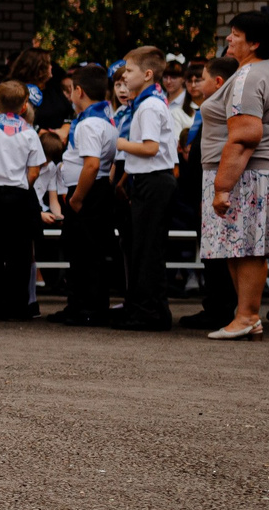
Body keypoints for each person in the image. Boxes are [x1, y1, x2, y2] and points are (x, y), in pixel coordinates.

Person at [198, 11, 269, 341]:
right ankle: (246, 316)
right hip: (246, 172)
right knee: (237, 247)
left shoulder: (250, 76)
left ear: (254, 43)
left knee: (247, 246)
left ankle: (248, 314)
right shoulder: (259, 72)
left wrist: (223, 186)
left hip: (245, 174)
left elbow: (245, 135)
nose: (228, 39)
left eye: (235, 34)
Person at [111, 48, 180, 331]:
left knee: (148, 249)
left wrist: (120, 143)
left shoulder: (150, 106)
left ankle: (150, 312)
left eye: (129, 70)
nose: (124, 76)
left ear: (148, 74)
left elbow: (150, 148)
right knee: (141, 247)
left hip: (155, 180)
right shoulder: (145, 103)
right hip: (146, 180)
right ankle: (143, 307)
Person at [51, 64, 121, 327]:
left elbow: (91, 164)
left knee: (84, 252)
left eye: (71, 91)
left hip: (87, 192)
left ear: (78, 91)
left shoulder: (89, 124)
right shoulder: (105, 120)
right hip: (98, 189)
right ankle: (83, 304)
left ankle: (85, 307)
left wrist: (77, 198)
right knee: (88, 250)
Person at [0, 81, 45, 322]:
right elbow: (35, 170)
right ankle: (18, 305)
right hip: (19, 195)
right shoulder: (29, 133)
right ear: (25, 105)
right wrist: (22, 185)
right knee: (20, 252)